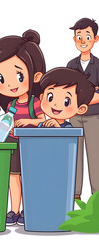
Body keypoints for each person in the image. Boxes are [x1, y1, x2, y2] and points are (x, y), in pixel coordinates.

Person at [0, 30, 46, 226]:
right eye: (1, 78)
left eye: (18, 75)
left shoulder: (35, 102)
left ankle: (29, 210)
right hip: (12, 143)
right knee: (13, 178)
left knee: (31, 178)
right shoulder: (11, 105)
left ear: (35, 75)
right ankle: (14, 210)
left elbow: (43, 122)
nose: (10, 83)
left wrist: (29, 123)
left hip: (31, 144)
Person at [67, 18, 99, 200]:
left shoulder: (98, 65)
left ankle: (96, 198)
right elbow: (66, 93)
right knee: (75, 157)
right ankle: (75, 196)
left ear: (95, 39)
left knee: (95, 157)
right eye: (78, 36)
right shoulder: (71, 65)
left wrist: (85, 99)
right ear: (74, 39)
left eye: (87, 36)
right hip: (74, 117)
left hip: (94, 117)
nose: (82, 40)